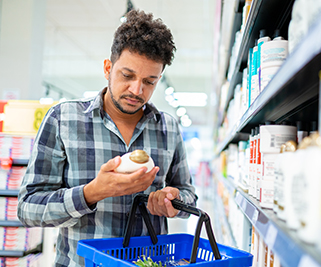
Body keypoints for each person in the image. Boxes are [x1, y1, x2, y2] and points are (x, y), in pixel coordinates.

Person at [17, 8, 197, 267]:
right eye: (127, 76)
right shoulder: (63, 119)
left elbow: (189, 194)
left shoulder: (168, 128)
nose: (137, 90)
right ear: (107, 68)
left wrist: (173, 202)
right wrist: (91, 193)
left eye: (149, 81)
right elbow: (27, 209)